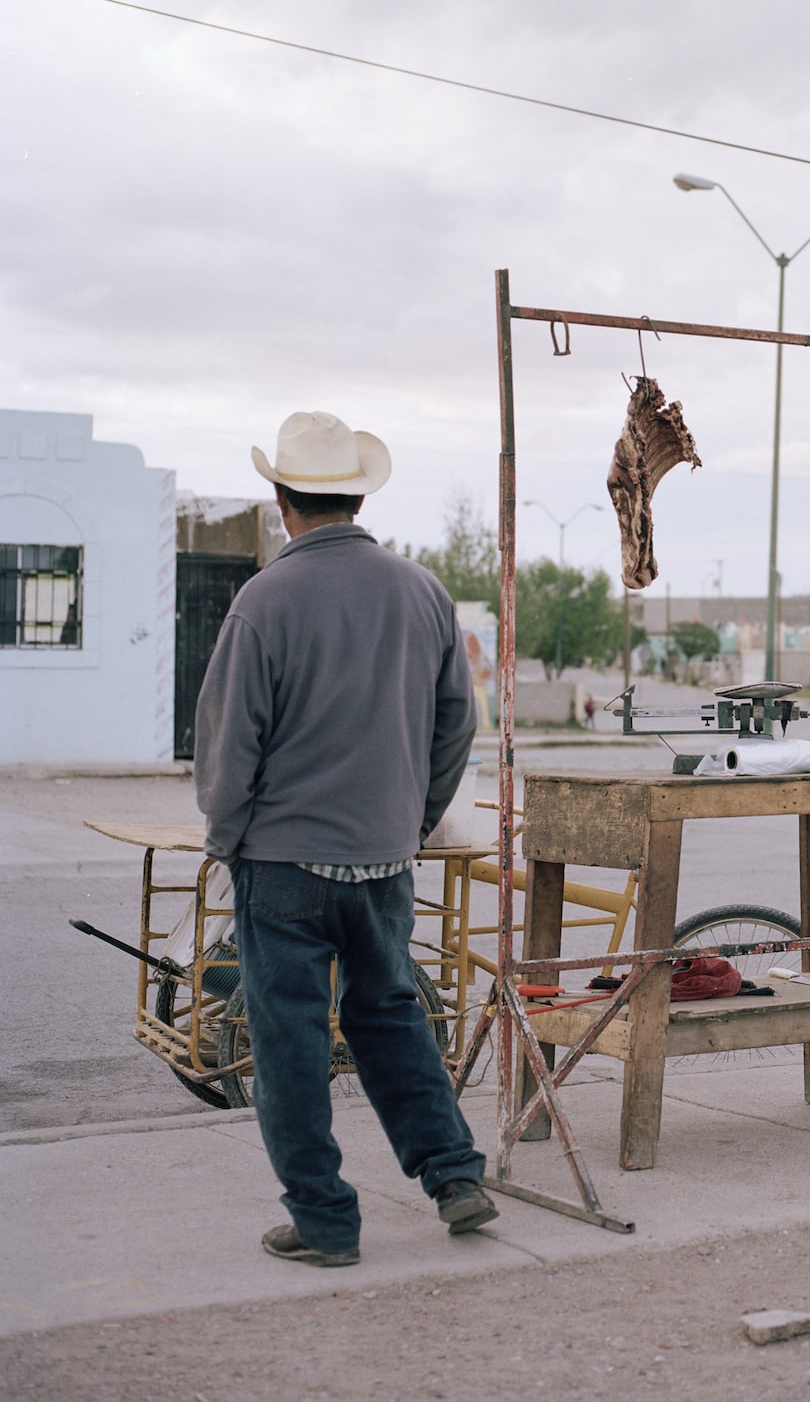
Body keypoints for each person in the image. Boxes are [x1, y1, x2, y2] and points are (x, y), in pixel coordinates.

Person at [196, 410, 495, 1265]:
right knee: (391, 1016)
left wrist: (225, 838)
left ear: (281, 501)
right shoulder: (422, 591)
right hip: (384, 859)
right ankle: (454, 1175)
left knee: (288, 1042)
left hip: (283, 864)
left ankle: (325, 1221)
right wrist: (411, 819)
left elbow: (229, 744)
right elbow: (456, 726)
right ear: (359, 497)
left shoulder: (264, 600)